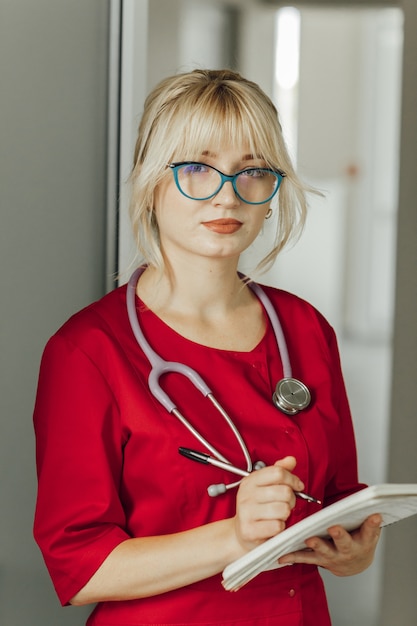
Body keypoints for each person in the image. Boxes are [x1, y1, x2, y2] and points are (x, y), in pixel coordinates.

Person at [33, 68, 381, 626]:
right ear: (151, 183)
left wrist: (354, 552)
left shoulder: (306, 328)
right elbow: (81, 569)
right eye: (197, 168)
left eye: (252, 172)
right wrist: (234, 536)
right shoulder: (89, 351)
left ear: (272, 195)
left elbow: (337, 499)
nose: (228, 195)